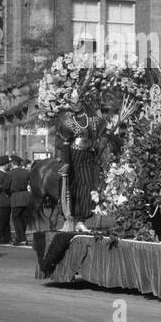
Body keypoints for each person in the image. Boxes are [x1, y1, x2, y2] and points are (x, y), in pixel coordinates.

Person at [56, 90, 110, 228]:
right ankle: (72, 217)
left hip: (90, 155)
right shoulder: (67, 123)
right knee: (74, 186)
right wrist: (66, 162)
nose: (76, 105)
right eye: (73, 103)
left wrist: (100, 144)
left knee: (87, 186)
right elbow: (64, 143)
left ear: (82, 102)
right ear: (70, 104)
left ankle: (81, 219)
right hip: (74, 156)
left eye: (78, 102)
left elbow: (103, 134)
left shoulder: (93, 120)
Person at [4, 155, 33, 246]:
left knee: (16, 219)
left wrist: (8, 193)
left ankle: (21, 239)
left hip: (16, 196)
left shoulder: (10, 173)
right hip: (25, 196)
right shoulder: (26, 172)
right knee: (24, 219)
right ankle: (21, 237)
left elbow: (5, 187)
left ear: (12, 163)